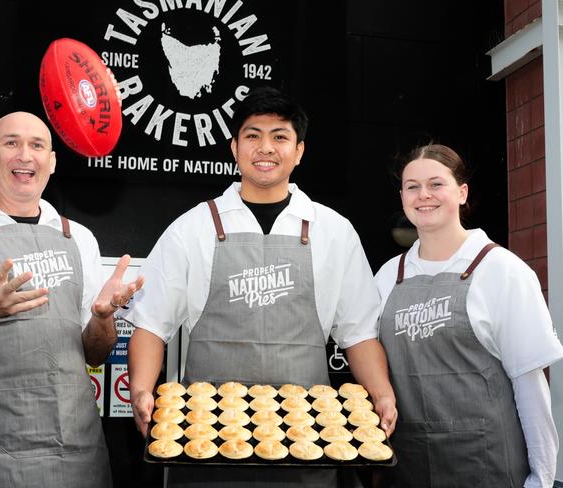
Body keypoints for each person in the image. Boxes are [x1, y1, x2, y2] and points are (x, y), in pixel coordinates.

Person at [123, 86, 397, 488]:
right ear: (234, 147)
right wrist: (143, 390)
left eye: (280, 137)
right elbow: (151, 325)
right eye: (252, 136)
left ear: (299, 150)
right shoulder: (193, 227)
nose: (265, 148)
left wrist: (382, 393)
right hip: (206, 442)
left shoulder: (332, 231)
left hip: (308, 438)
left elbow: (358, 332)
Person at [0, 111, 144, 488]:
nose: (25, 155)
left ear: (52, 162)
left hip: (76, 458)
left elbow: (96, 354)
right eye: (11, 143)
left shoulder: (79, 238)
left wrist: (103, 319)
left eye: (37, 145)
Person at [375, 143, 563, 488]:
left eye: (436, 184)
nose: (423, 195)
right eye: (412, 186)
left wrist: (542, 478)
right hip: (407, 464)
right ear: (402, 197)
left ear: (462, 192)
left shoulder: (502, 270)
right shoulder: (388, 276)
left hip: (486, 462)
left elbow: (529, 384)